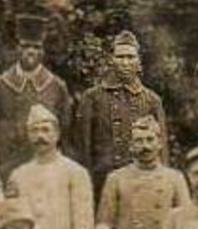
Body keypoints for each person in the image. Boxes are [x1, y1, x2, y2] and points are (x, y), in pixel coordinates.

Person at [4, 105, 94, 229]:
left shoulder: (75, 172)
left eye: (46, 130)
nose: (40, 136)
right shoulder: (18, 175)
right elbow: (11, 222)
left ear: (57, 134)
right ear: (28, 135)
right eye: (34, 131)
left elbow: (84, 223)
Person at [98, 116, 190, 229]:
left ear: (160, 143)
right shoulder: (116, 179)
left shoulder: (174, 178)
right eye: (138, 141)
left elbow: (185, 225)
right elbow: (104, 226)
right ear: (131, 146)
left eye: (150, 139)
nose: (145, 146)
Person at [0, 12, 74, 180]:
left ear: (43, 50)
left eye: (36, 47)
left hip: (46, 171)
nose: (31, 52)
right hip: (5, 171)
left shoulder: (57, 87)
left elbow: (65, 133)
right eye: (25, 46)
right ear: (17, 48)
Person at [72, 29, 168, 179]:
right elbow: (82, 149)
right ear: (111, 60)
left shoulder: (152, 100)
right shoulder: (92, 97)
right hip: (101, 180)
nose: (125, 63)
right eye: (120, 57)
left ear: (138, 62)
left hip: (141, 180)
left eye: (130, 57)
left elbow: (161, 151)